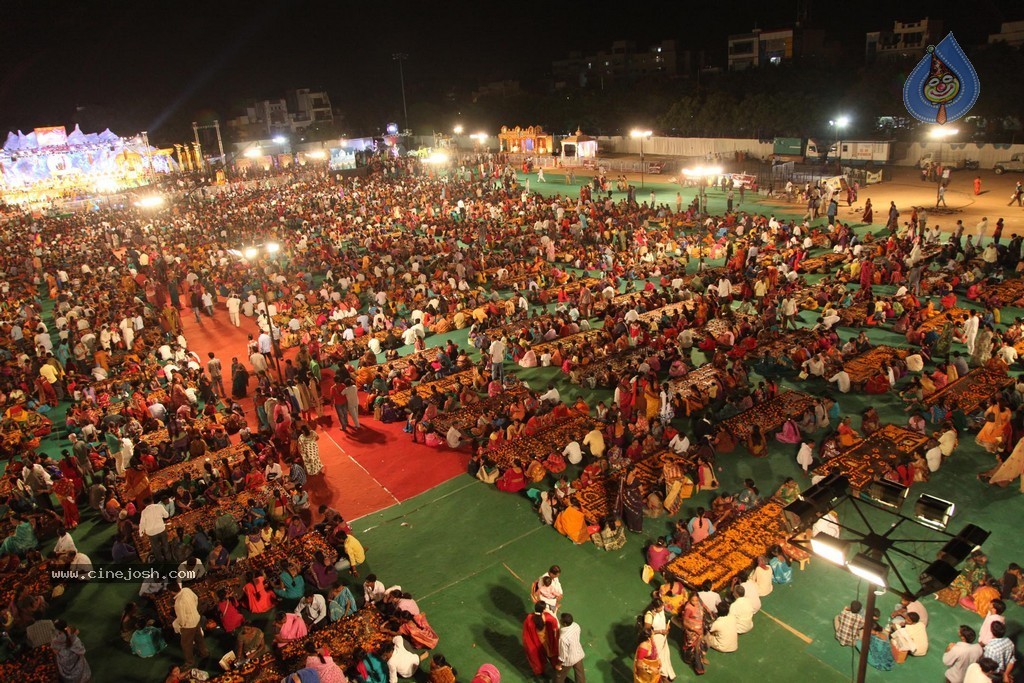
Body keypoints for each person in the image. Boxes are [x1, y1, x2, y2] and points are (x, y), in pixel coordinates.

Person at [172, 584, 208, 668]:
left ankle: (190, 662)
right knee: (199, 638)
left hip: (188, 625)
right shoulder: (186, 590)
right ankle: (204, 653)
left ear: (172, 592)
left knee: (186, 644)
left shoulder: (178, 603)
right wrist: (193, 610)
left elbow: (181, 618)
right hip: (196, 618)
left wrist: (182, 625)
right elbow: (196, 598)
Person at [523, 602, 559, 676]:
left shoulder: (529, 618)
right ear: (543, 610)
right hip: (547, 642)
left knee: (542, 658)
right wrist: (555, 613)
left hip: (537, 643)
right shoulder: (548, 618)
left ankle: (543, 671)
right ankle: (557, 670)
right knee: (552, 657)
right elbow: (555, 625)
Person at [642, 600, 674, 681]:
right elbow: (647, 631)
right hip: (655, 638)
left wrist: (666, 627)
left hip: (662, 637)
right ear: (654, 608)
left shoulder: (661, 610)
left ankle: (667, 673)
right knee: (658, 656)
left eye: (662, 606)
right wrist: (660, 631)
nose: (662, 608)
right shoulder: (649, 616)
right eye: (660, 607)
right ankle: (662, 675)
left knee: (665, 654)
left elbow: (662, 620)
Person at [681, 592, 708, 674]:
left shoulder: (699, 603)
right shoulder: (688, 608)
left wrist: (709, 611)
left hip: (699, 629)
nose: (695, 602)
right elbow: (685, 623)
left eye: (696, 600)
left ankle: (700, 657)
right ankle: (698, 666)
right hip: (692, 630)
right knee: (696, 648)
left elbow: (704, 607)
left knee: (703, 644)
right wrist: (696, 630)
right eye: (693, 600)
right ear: (689, 599)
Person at [555, 612, 586, 683]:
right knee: (580, 675)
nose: (560, 620)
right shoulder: (576, 625)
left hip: (569, 660)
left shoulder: (563, 638)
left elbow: (563, 656)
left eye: (561, 620)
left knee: (559, 676)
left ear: (565, 624)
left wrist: (559, 665)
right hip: (578, 653)